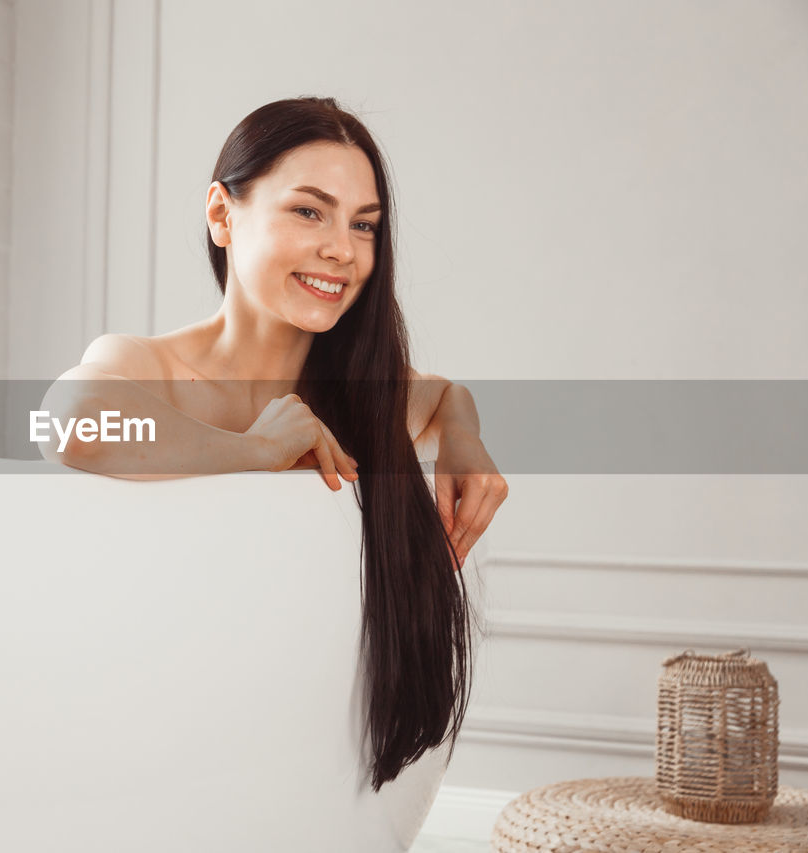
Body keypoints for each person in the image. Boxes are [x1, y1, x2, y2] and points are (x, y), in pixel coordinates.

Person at [41, 96, 507, 791]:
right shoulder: (151, 365)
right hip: (143, 752)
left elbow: (440, 396)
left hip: (311, 770)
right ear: (222, 215)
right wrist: (252, 450)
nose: (342, 250)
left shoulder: (361, 396)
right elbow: (66, 423)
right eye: (309, 210)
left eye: (364, 225)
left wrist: (464, 431)